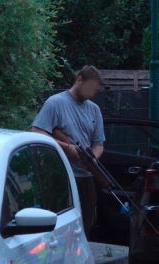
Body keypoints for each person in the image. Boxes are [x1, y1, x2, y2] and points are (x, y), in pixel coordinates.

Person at [31, 65, 105, 239]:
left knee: (84, 224)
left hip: (85, 177)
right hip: (60, 176)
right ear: (79, 80)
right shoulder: (55, 103)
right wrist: (66, 147)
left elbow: (99, 144)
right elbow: (37, 132)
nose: (92, 94)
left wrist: (91, 160)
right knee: (58, 227)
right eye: (90, 89)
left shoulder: (94, 109)